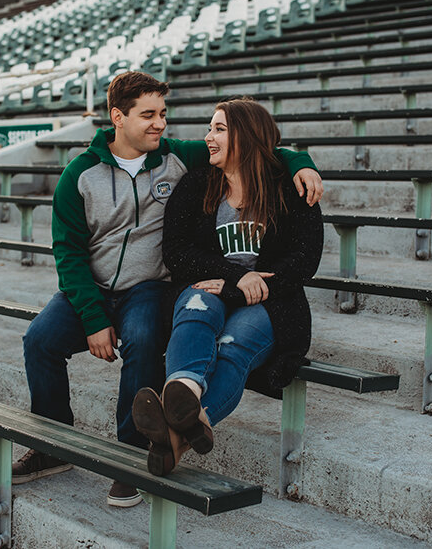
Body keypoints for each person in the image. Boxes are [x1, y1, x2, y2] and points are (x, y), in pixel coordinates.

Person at [14, 72, 324, 507]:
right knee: (39, 340)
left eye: (163, 113)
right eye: (148, 115)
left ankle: (130, 455)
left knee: (143, 339)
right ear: (117, 117)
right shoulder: (79, 176)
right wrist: (94, 318)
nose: (160, 124)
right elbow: (68, 253)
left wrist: (301, 162)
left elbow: (258, 146)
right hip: (91, 289)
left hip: (147, 288)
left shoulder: (177, 158)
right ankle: (50, 445)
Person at [132, 97, 323, 476]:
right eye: (209, 128)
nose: (208, 138)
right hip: (212, 286)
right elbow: (176, 250)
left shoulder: (290, 188)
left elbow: (305, 259)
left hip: (271, 302)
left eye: (219, 129)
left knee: (233, 347)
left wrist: (241, 288)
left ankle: (177, 433)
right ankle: (185, 391)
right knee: (197, 310)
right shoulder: (198, 183)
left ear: (247, 136)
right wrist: (235, 277)